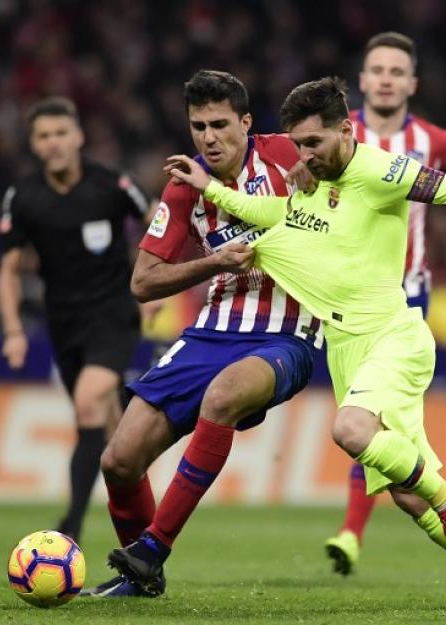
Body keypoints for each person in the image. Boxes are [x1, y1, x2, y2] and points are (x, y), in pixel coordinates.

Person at [161, 76, 446, 609]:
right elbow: (277, 216)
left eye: (314, 143)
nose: (302, 157)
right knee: (406, 491)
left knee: (351, 431)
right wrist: (209, 187)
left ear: (346, 131)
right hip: (347, 349)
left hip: (392, 338)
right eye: (297, 144)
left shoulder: (379, 171)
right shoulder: (309, 180)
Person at [84, 70, 320, 598]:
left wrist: (320, 179)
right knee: (118, 462)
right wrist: (214, 263)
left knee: (224, 397)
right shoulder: (184, 185)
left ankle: (150, 550)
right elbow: (143, 282)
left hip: (289, 335)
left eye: (219, 124)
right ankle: (142, 582)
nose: (209, 137)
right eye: (198, 126)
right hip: (211, 333)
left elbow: (353, 174)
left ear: (246, 123)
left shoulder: (288, 153)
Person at [323, 31, 446, 577]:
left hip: (405, 297)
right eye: (378, 70)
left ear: (411, 83)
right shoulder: (340, 135)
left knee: (367, 421)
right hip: (346, 297)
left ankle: (354, 530)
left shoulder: (434, 140)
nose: (387, 79)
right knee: (376, 427)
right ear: (362, 81)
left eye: (397, 71)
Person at [0, 96, 151, 544]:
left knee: (88, 402)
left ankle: (70, 526)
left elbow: (160, 220)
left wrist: (156, 285)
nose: (54, 143)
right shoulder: (23, 197)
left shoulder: (112, 185)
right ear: (33, 144)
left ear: (79, 136)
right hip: (64, 324)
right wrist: (12, 331)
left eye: (61, 133)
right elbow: (8, 268)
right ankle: (144, 530)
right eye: (44, 136)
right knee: (116, 438)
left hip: (114, 315)